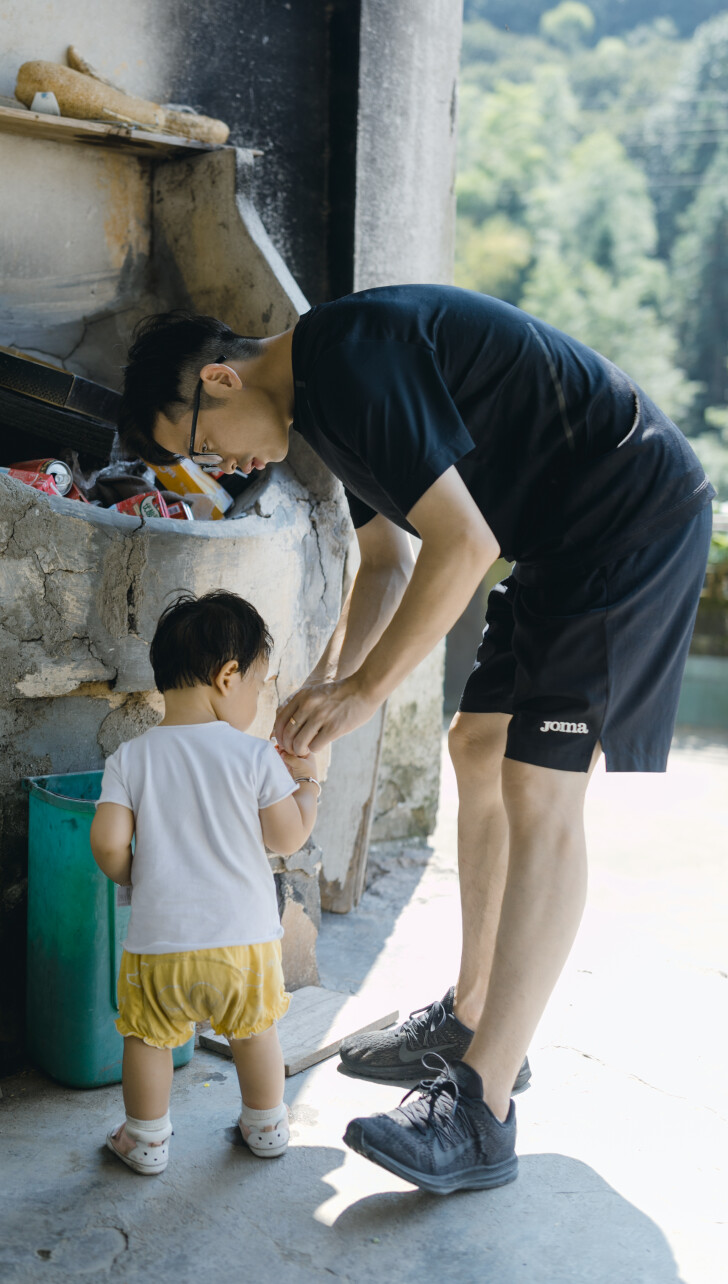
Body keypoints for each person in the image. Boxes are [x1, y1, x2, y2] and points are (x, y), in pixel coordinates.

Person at [115, 285, 713, 1194]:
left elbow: (461, 547)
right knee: (478, 745)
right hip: (558, 539)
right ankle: (474, 1018)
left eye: (203, 442)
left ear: (221, 377)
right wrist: (325, 695)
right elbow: (390, 562)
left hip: (628, 516)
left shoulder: (349, 360)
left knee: (542, 787)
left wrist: (365, 692)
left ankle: (483, 1106)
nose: (225, 465)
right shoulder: (324, 408)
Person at [90, 590, 321, 1176]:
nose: (258, 699)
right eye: (259, 685)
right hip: (244, 948)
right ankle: (266, 1126)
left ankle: (145, 1140)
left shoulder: (130, 758)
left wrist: (135, 875)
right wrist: (309, 791)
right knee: (256, 1032)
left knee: (148, 1039)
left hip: (159, 948)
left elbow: (110, 843)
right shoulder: (253, 756)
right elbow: (287, 838)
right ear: (227, 677)